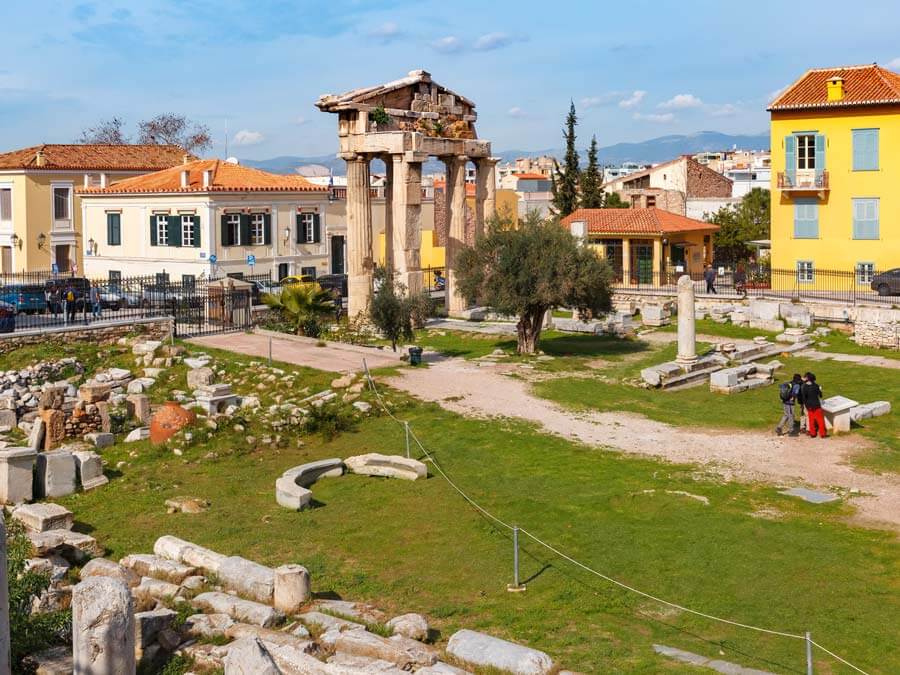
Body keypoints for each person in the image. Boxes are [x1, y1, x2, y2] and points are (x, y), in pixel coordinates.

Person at [801, 372, 826, 438]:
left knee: (811, 420)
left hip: (809, 406)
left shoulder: (804, 387)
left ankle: (813, 434)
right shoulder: (816, 386)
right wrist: (820, 390)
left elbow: (804, 398)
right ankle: (822, 434)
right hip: (817, 405)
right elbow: (820, 395)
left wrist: (806, 406)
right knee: (820, 420)